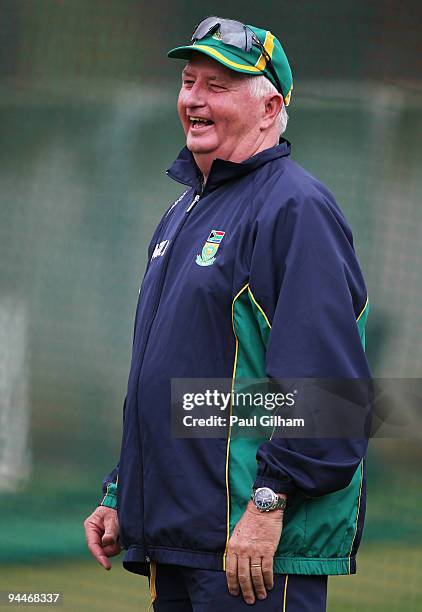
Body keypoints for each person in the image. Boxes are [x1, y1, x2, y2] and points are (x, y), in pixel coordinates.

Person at [84, 17, 371, 611]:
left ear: (269, 107)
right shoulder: (181, 212)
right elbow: (171, 374)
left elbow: (329, 391)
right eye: (189, 82)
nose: (193, 99)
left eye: (218, 85)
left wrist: (270, 501)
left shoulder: (296, 207)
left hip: (252, 550)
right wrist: (120, 488)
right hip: (183, 540)